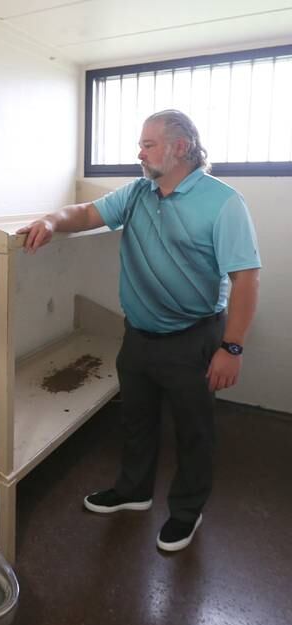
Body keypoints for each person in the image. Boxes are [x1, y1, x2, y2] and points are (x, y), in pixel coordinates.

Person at [17, 109, 261, 552]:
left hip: (194, 338)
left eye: (148, 144)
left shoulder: (223, 203)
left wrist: (232, 347)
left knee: (194, 430)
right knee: (136, 420)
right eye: (141, 144)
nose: (140, 152)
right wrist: (52, 222)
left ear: (180, 148)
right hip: (139, 336)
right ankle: (134, 491)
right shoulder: (138, 193)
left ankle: (186, 512)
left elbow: (247, 279)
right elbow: (87, 213)